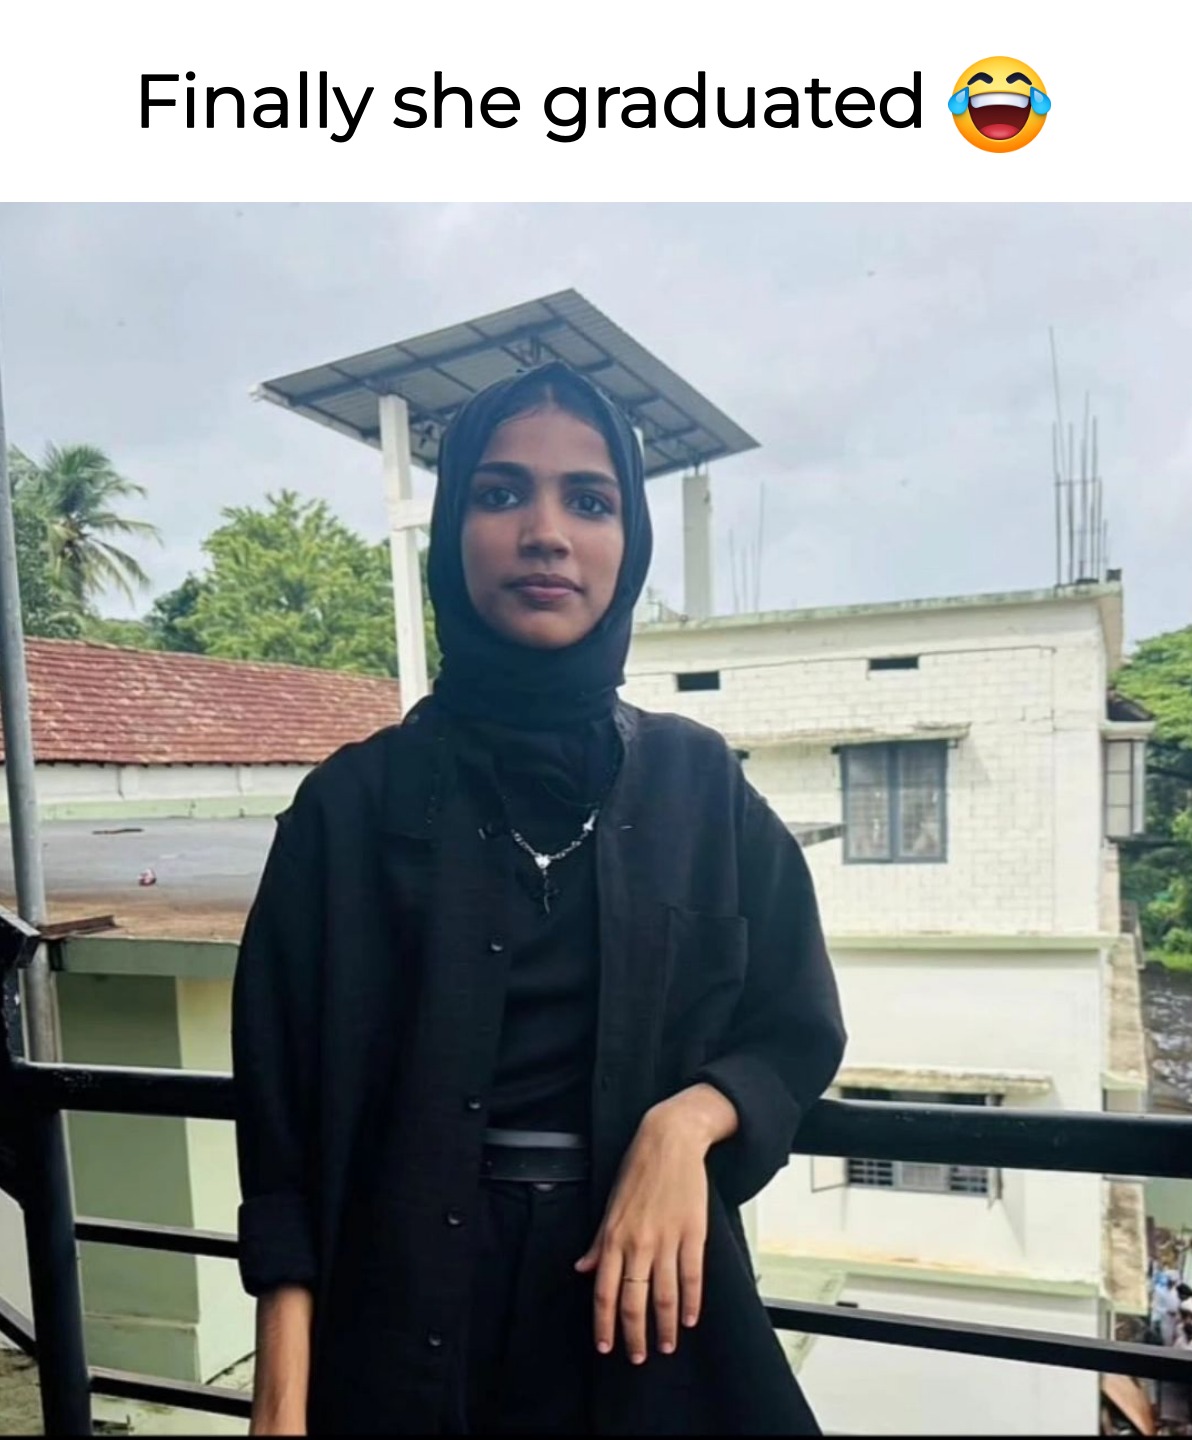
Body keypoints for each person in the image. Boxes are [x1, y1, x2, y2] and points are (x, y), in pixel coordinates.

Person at [232, 360, 847, 1436]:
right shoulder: (348, 809)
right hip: (404, 1328)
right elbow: (282, 1129)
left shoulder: (699, 787)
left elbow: (795, 1028)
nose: (547, 533)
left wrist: (688, 1123)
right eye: (502, 492)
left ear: (629, 540)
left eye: (590, 500)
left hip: (647, 1327)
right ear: (451, 533)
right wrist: (282, 1403)